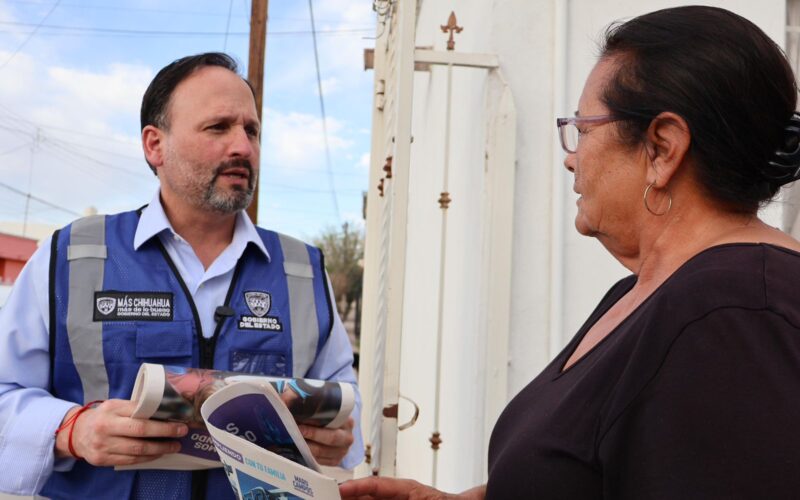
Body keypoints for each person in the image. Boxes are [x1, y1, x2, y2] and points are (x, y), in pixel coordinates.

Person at [340, 6, 800, 499]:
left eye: (583, 129)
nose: (570, 157)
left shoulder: (739, 315)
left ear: (663, 148)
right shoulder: (645, 294)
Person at [0, 52, 363, 499]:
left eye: (251, 131)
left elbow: (347, 405)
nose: (243, 147)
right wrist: (71, 429)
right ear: (155, 145)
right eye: (218, 127)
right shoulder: (73, 255)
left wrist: (339, 436)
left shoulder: (301, 270)